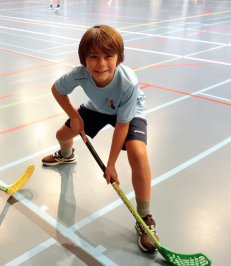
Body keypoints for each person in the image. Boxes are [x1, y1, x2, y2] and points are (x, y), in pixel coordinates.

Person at [42, 25, 158, 253]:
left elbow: (122, 126)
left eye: (108, 56)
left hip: (128, 111)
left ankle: (145, 219)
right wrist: (74, 116)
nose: (101, 63)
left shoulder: (128, 83)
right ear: (84, 59)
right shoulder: (79, 73)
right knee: (62, 135)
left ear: (119, 58)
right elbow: (57, 90)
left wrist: (111, 163)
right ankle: (67, 155)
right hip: (97, 107)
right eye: (93, 56)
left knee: (138, 153)